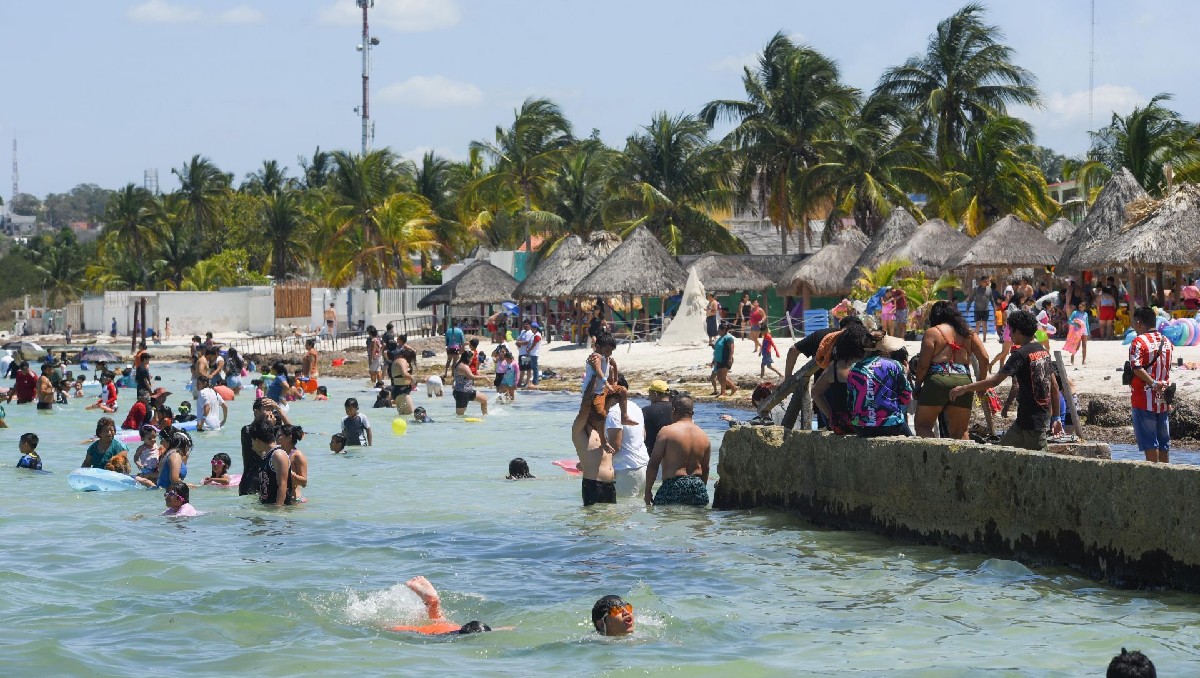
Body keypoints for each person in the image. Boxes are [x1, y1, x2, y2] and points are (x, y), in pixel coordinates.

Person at [949, 310, 1063, 451]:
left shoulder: (1019, 355)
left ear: (1019, 331)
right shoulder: (1043, 351)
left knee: (1042, 463)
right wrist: (1056, 417)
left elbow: (995, 381)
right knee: (1001, 454)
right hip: (1025, 420)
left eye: (1011, 331)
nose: (1009, 335)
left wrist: (965, 388)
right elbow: (1054, 386)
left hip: (1034, 421)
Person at [912, 300, 990, 440]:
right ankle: (962, 461)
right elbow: (984, 358)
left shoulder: (932, 333)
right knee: (960, 432)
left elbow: (923, 365)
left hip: (938, 380)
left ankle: (934, 456)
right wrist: (980, 385)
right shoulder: (968, 333)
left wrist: (918, 386)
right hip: (963, 382)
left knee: (923, 426)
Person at [644, 396, 710, 507]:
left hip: (673, 485)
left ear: (673, 411)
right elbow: (706, 468)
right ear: (692, 413)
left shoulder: (667, 432)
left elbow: (653, 464)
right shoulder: (704, 435)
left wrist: (647, 491)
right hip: (697, 485)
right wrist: (700, 489)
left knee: (667, 521)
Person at [1129, 306, 1173, 463]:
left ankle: (1153, 479)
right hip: (1163, 400)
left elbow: (1136, 367)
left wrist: (1153, 383)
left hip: (1143, 399)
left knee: (1149, 443)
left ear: (1140, 323)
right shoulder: (1166, 342)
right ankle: (1166, 479)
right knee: (1163, 444)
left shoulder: (1138, 342)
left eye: (1135, 324)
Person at [847, 334, 913, 437]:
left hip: (862, 427)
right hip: (890, 425)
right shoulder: (894, 365)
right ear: (884, 349)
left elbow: (850, 401)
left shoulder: (854, 369)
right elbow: (906, 395)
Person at [389, 577, 492, 636]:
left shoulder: (458, 628)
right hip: (439, 632)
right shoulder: (443, 634)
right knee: (390, 627)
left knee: (439, 619)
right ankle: (432, 603)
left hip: (453, 627)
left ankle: (433, 602)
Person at [811, 324, 865, 435]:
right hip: (864, 423)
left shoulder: (834, 367)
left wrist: (831, 417)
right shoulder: (866, 366)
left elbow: (815, 393)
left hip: (841, 424)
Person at [574, 372, 615, 506]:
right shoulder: (579, 429)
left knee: (610, 524)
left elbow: (611, 393)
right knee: (593, 524)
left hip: (610, 486)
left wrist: (609, 369)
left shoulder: (600, 430)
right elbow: (585, 405)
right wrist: (593, 378)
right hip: (593, 485)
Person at [238, 398, 290, 496]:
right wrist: (270, 425)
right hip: (251, 480)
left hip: (267, 480)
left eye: (271, 410)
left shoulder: (273, 428)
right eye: (266, 409)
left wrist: (278, 409)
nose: (270, 413)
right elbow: (262, 452)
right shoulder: (247, 430)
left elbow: (291, 434)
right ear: (256, 412)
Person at [606, 387, 648, 500]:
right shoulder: (635, 407)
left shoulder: (614, 412)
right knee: (639, 508)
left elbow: (615, 446)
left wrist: (595, 463)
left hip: (626, 469)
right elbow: (643, 435)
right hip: (642, 465)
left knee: (623, 510)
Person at [248, 417, 293, 506]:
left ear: (257, 440)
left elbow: (283, 485)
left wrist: (278, 511)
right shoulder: (267, 455)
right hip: (267, 507)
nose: (252, 444)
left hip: (277, 510)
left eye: (252, 441)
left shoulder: (278, 454)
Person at [452, 350, 488, 417]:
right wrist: (484, 377)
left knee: (484, 400)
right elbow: (472, 377)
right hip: (461, 393)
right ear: (468, 358)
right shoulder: (463, 366)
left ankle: (485, 416)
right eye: (471, 358)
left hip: (469, 391)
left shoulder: (461, 364)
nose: (471, 360)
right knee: (459, 415)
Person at [278, 423, 309, 502]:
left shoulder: (297, 455)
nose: (276, 438)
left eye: (279, 435)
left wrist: (291, 474)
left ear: (289, 438)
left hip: (295, 500)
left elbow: (304, 482)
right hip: (281, 498)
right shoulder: (278, 453)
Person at [642, 380, 675, 453]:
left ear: (655, 394)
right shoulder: (677, 409)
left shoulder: (646, 411)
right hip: (674, 454)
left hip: (654, 454)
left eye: (649, 394)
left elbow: (642, 435)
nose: (649, 397)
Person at [709, 322, 737, 397]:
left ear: (724, 330)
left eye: (719, 330)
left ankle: (723, 393)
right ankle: (733, 388)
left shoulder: (728, 338)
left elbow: (731, 348)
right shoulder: (720, 338)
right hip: (719, 360)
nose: (718, 331)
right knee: (719, 376)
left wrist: (730, 358)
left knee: (723, 376)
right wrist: (713, 347)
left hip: (725, 359)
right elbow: (717, 349)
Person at [388, 345, 415, 415]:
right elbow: (404, 374)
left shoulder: (396, 361)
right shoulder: (403, 361)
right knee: (410, 415)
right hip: (402, 392)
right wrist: (413, 379)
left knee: (402, 416)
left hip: (397, 391)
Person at [966, 276, 994, 340]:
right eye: (985, 281)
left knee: (984, 324)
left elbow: (992, 299)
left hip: (985, 310)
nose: (987, 283)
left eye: (987, 281)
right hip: (977, 309)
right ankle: (977, 338)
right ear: (981, 282)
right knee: (978, 324)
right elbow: (971, 298)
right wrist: (968, 307)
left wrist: (994, 308)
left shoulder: (989, 289)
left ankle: (984, 338)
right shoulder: (976, 289)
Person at [1067, 300, 1090, 365]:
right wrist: (1076, 324)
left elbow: (1087, 323)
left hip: (1084, 331)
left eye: (1082, 305)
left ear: (1085, 307)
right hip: (1077, 331)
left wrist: (1088, 332)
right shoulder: (1075, 312)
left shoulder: (1086, 314)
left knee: (1084, 346)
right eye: (1080, 305)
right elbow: (1069, 321)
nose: (1080, 306)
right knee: (1077, 346)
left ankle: (1084, 360)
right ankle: (1072, 356)